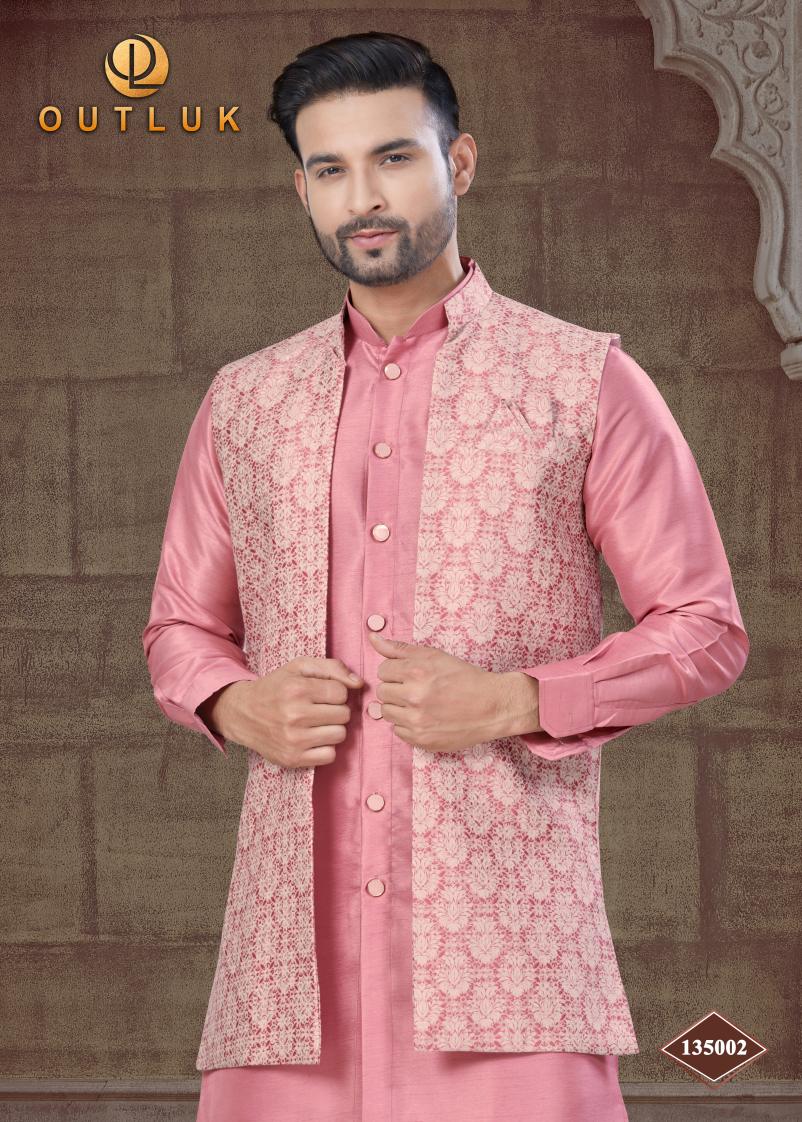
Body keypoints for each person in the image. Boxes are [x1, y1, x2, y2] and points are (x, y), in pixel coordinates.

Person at [141, 31, 750, 1122]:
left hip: (511, 971)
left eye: (394, 158)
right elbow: (179, 629)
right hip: (289, 987)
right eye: (331, 170)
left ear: (457, 163)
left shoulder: (580, 382)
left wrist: (521, 699)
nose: (364, 197)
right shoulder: (245, 403)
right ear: (301, 191)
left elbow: (705, 626)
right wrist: (234, 703)